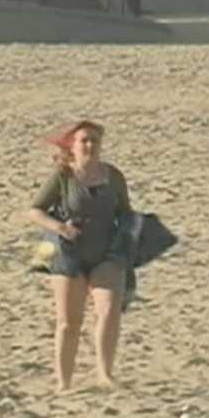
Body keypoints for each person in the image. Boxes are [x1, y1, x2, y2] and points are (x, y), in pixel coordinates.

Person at [28, 120, 132, 392]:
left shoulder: (113, 176)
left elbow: (125, 211)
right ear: (72, 146)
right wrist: (59, 227)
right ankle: (64, 382)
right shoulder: (63, 177)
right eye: (84, 140)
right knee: (68, 322)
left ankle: (105, 374)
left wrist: (129, 236)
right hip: (68, 253)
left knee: (109, 311)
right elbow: (35, 210)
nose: (89, 145)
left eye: (94, 141)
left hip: (106, 252)